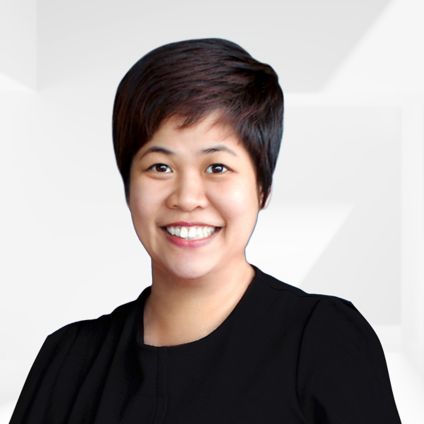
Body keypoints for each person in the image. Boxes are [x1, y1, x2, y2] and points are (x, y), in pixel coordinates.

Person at [9, 38, 402, 423]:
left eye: (217, 167)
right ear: (128, 186)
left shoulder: (323, 342)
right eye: (160, 167)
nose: (187, 197)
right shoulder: (68, 361)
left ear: (261, 188)